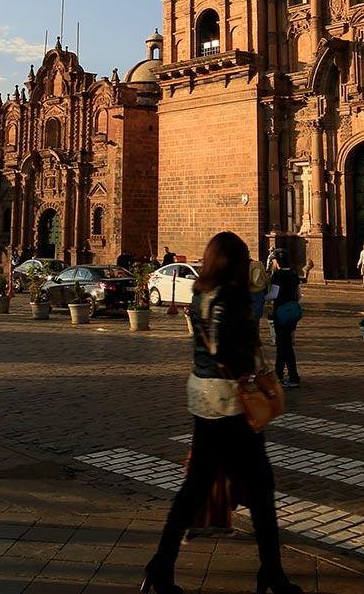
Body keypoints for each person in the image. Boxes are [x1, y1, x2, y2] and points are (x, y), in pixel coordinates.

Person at [143, 231, 297, 594]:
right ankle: (271, 573)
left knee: (195, 487)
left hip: (202, 396)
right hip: (230, 402)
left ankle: (161, 566)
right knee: (260, 489)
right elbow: (227, 350)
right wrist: (251, 365)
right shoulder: (228, 296)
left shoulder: (200, 293)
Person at [267, 250, 302, 389]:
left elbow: (274, 294)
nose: (273, 263)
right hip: (292, 313)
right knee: (283, 344)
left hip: (280, 313)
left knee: (284, 345)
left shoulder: (278, 275)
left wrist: (261, 298)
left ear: (278, 261)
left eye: (274, 260)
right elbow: (299, 295)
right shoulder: (293, 273)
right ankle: (278, 373)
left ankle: (293, 376)